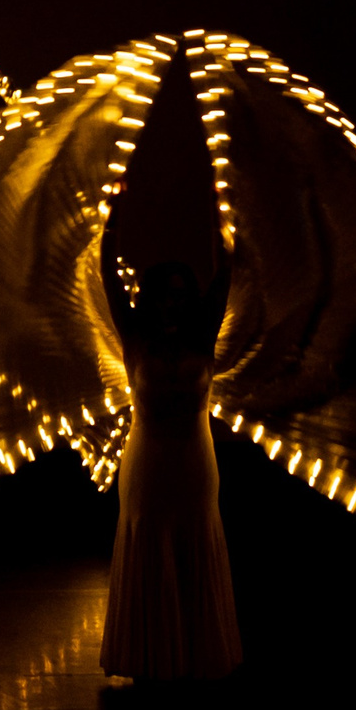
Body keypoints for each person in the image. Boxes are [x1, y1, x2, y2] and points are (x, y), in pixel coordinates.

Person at [100, 245, 240, 682]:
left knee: (195, 537)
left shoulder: (204, 336)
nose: (172, 303)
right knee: (149, 541)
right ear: (151, 298)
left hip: (196, 463)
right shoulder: (135, 338)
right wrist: (111, 221)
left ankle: (195, 655)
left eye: (181, 295)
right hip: (148, 464)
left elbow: (225, 272)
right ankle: (149, 658)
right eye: (165, 294)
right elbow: (108, 277)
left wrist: (223, 205)